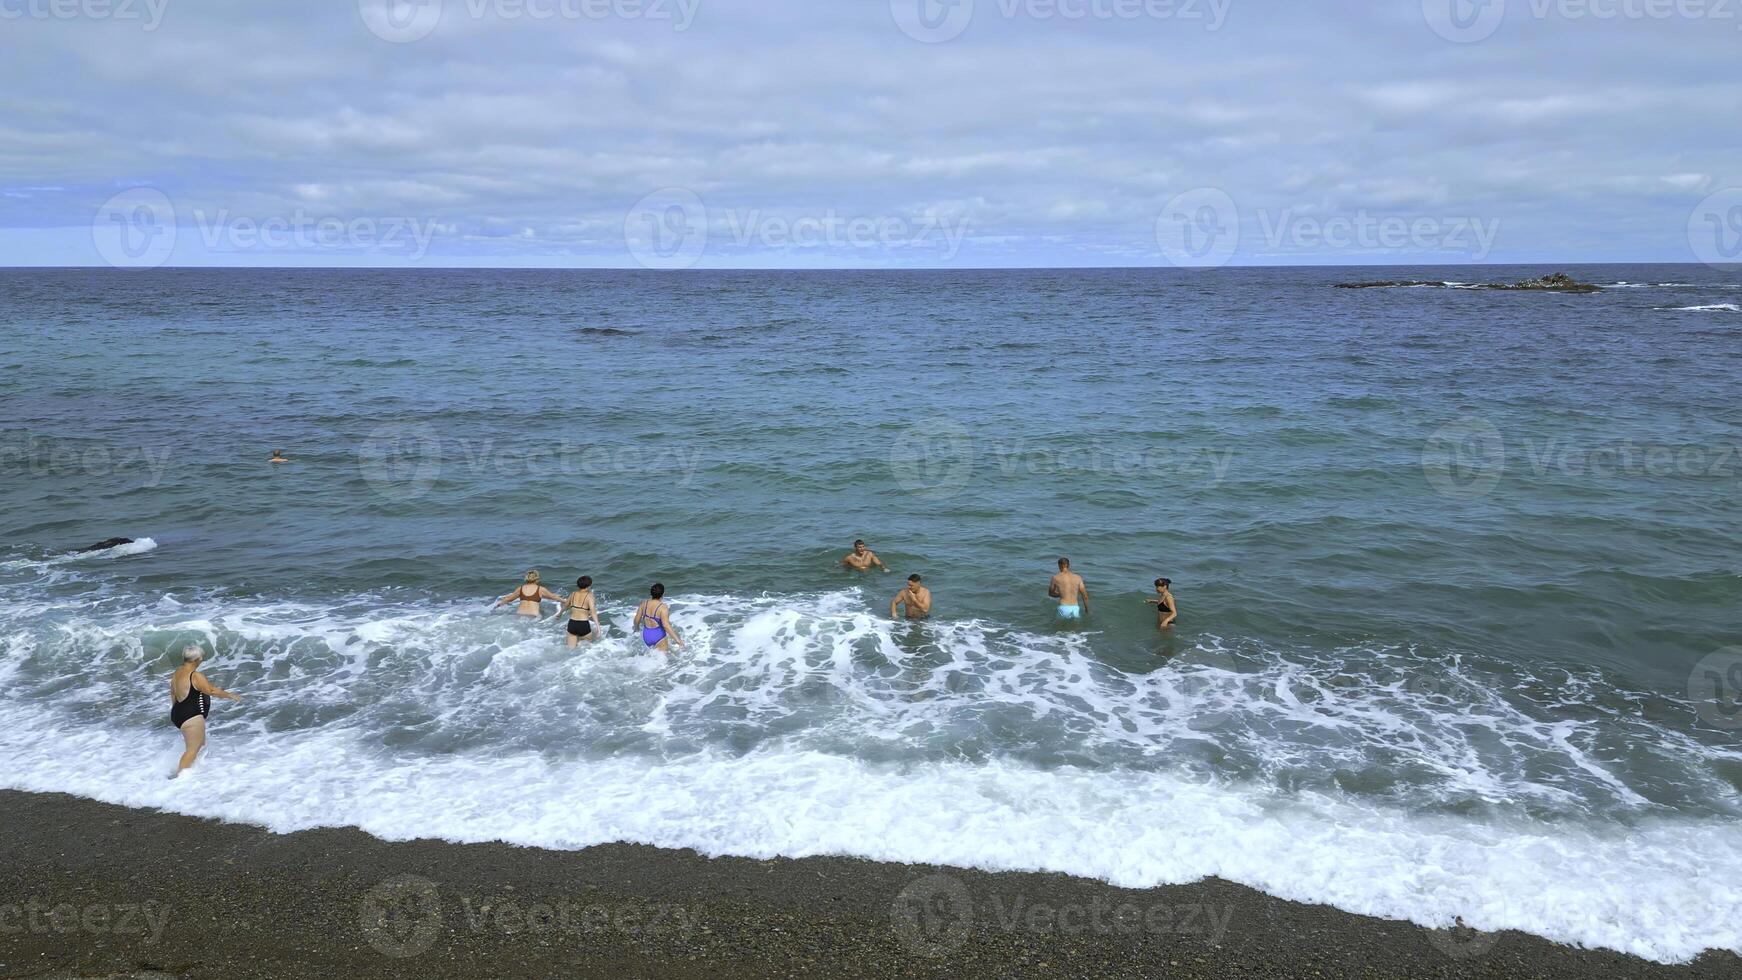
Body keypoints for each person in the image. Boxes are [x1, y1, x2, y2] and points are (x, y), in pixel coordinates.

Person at [169, 644, 241, 774]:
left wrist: (178, 713)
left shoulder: (177, 672)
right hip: (191, 716)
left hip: (177, 712)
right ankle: (178, 779)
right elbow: (211, 691)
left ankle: (194, 773)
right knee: (192, 749)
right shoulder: (195, 675)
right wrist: (230, 695)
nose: (202, 660)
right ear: (197, 659)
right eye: (201, 658)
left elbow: (173, 694)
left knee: (200, 745)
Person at [633, 583, 683, 653]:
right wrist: (678, 641)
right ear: (663, 593)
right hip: (658, 636)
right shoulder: (663, 607)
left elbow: (636, 620)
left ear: (651, 593)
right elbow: (666, 625)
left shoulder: (644, 604)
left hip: (646, 635)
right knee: (663, 662)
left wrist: (636, 629)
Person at [495, 570, 561, 617]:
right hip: (533, 616)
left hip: (519, 615)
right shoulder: (541, 589)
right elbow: (554, 597)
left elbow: (508, 599)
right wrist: (565, 601)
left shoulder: (520, 589)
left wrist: (497, 606)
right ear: (537, 579)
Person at [558, 576, 600, 647]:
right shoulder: (590, 596)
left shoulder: (573, 594)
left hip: (572, 624)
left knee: (571, 651)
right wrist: (598, 627)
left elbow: (565, 606)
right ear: (589, 585)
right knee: (585, 651)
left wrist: (559, 614)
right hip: (583, 624)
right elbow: (593, 612)